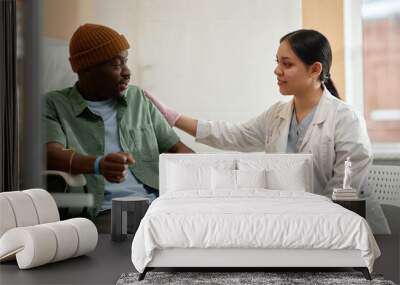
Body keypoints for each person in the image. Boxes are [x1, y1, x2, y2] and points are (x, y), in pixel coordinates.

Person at [145, 29, 390, 234]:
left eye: (287, 64)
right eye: (277, 62)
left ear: (315, 70)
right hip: (302, 226)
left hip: (351, 229)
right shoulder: (277, 115)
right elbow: (233, 135)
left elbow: (343, 188)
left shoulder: (345, 119)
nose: (277, 71)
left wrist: (300, 220)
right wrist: (174, 118)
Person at [44, 23, 193, 230]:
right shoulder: (54, 104)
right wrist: (98, 165)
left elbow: (176, 148)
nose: (127, 72)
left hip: (158, 208)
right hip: (106, 214)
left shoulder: (137, 98)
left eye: (126, 62)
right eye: (116, 65)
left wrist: (205, 174)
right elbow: (50, 154)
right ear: (86, 69)